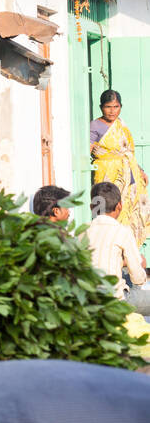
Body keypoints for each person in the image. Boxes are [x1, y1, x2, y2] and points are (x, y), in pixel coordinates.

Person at [90, 89, 149, 249]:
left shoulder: (121, 124)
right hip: (109, 175)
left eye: (116, 107)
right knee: (109, 211)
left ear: (120, 107)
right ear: (101, 107)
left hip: (130, 175)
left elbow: (127, 151)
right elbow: (89, 150)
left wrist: (140, 170)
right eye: (108, 107)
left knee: (130, 214)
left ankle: (129, 252)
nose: (112, 111)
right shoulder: (95, 126)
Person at [82, 181, 150, 313]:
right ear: (119, 206)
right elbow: (138, 277)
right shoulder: (122, 231)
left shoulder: (82, 230)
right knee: (136, 270)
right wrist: (140, 271)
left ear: (92, 207)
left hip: (87, 299)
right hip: (115, 301)